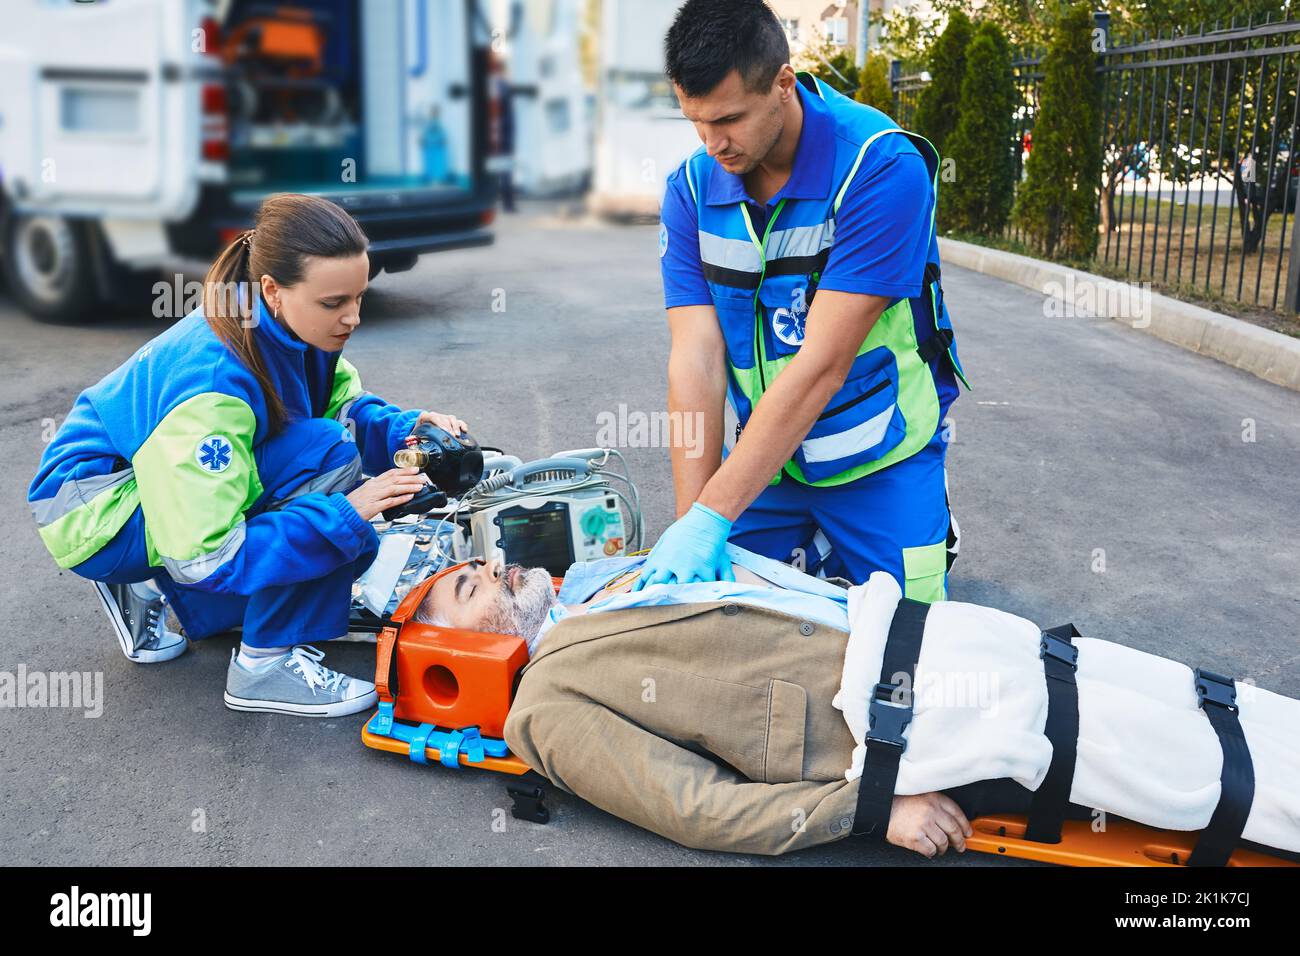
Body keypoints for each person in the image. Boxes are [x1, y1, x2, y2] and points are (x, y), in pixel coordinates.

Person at [411, 554, 1300, 861]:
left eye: (475, 564)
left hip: (927, 634)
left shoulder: (596, 588)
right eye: (464, 589)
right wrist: (876, 808)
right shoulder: (548, 703)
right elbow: (693, 807)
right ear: (447, 651)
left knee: (1200, 699)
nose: (489, 569)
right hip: (904, 714)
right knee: (1193, 772)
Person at [28, 193, 470, 718]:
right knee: (330, 476)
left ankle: (147, 586)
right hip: (96, 515)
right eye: (334, 303)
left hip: (130, 479)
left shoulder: (282, 322)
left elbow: (341, 406)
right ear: (272, 290)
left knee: (325, 458)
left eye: (359, 297)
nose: (352, 318)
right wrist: (347, 514)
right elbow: (208, 558)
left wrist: (407, 431)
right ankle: (263, 667)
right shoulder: (212, 390)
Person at [644, 0, 968, 598]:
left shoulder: (882, 167)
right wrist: (694, 522)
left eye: (731, 119)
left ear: (783, 85)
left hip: (880, 454)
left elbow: (823, 363)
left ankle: (925, 524)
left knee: (913, 641)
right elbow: (696, 360)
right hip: (769, 462)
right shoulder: (690, 189)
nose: (713, 143)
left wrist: (715, 517)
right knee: (714, 621)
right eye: (696, 121)